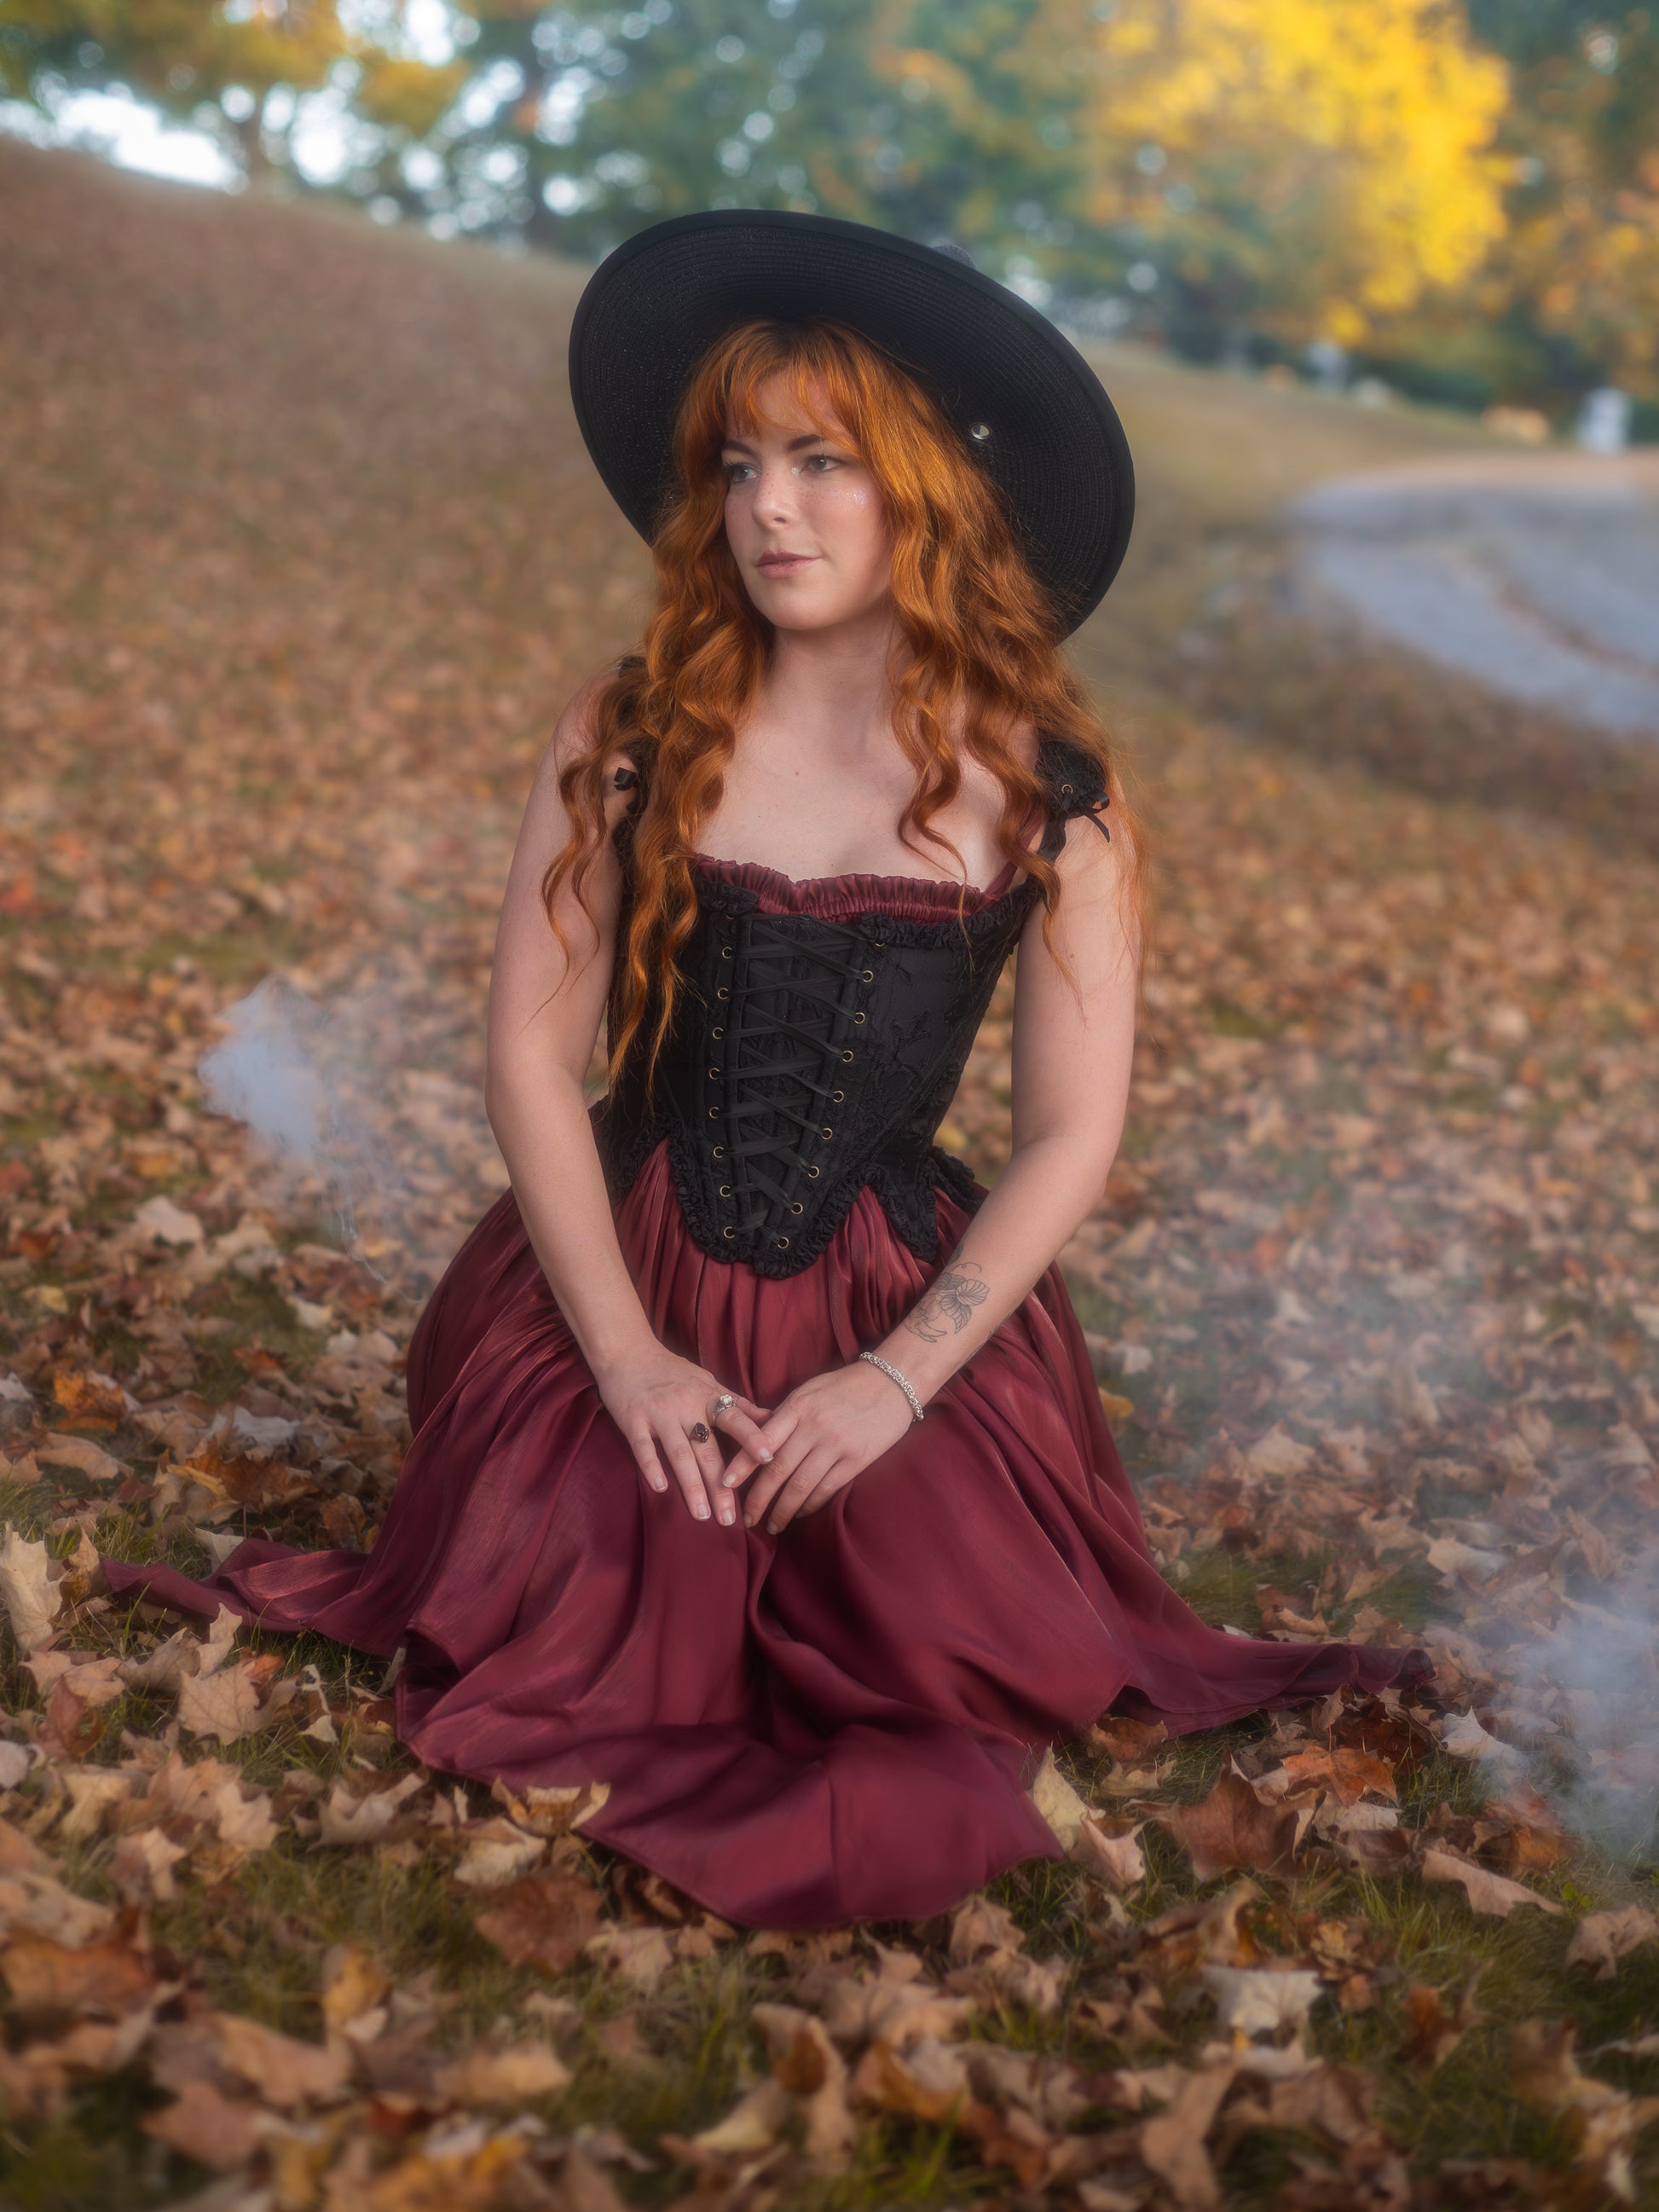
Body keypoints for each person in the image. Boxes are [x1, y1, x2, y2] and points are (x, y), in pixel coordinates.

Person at [106, 212, 1427, 1928]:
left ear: (932, 494)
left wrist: (895, 1379)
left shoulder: (1051, 793)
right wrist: (632, 1360)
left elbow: (1067, 1134)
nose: (768, 508)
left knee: (945, 1632)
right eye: (738, 465)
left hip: (901, 1299)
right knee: (586, 1597)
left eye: (823, 462)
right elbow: (526, 1046)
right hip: (616, 1264)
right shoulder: (631, 723)